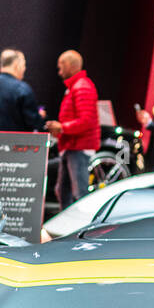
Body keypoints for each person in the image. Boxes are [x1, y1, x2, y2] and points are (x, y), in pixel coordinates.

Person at [45, 50, 100, 209]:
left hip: (79, 147)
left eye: (61, 67)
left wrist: (62, 127)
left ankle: (81, 229)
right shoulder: (76, 86)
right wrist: (61, 129)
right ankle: (67, 227)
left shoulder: (82, 87)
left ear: (69, 65)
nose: (59, 71)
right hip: (72, 146)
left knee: (79, 193)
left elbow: (86, 121)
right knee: (63, 191)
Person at [0, 48, 45, 132]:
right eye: (24, 65)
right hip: (17, 143)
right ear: (16, 65)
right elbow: (33, 122)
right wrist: (40, 117)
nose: (24, 69)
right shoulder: (22, 89)